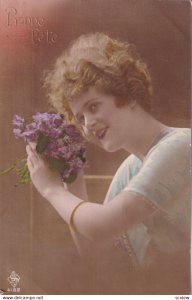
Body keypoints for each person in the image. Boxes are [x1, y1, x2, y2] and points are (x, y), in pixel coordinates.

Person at [26, 33, 190, 294]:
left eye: (93, 107)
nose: (87, 125)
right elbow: (96, 255)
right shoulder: (129, 171)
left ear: (128, 95)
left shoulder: (181, 146)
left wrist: (51, 190)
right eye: (79, 118)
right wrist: (75, 185)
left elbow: (101, 227)